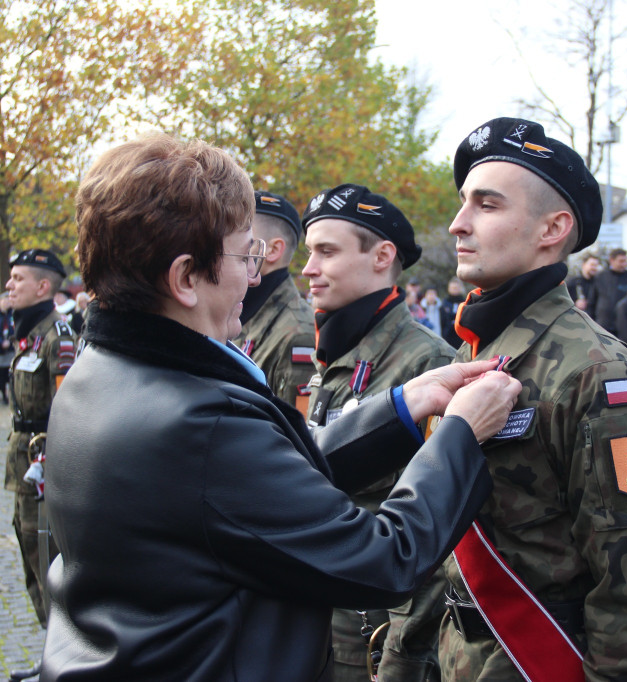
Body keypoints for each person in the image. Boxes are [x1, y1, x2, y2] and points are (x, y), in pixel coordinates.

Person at [40, 133, 520, 680]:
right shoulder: (201, 424)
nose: (256, 274)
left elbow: (258, 488)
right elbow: (387, 559)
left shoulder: (101, 371)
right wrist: (458, 431)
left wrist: (403, 408)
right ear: (184, 278)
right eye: (245, 256)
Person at [440, 117, 627, 681]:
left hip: (540, 660)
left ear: (552, 228)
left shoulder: (599, 375)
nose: (458, 224)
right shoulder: (468, 358)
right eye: (463, 204)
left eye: (487, 205)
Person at [301, 183, 457, 682]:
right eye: (309, 252)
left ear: (382, 256)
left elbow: (441, 530)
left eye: (327, 251)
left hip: (373, 638)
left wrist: (400, 659)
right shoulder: (329, 353)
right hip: (314, 617)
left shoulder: (426, 365)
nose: (308, 268)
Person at [4, 248, 77, 679]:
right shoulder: (29, 333)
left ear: (43, 286)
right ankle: (51, 641)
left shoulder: (58, 336)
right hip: (23, 463)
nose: (9, 286)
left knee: (48, 553)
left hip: (46, 461)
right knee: (28, 547)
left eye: (17, 278)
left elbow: (67, 405)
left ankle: (64, 650)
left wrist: (52, 462)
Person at [231, 190, 316, 410]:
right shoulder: (236, 309)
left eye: (244, 238)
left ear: (272, 250)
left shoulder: (299, 333)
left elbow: (296, 433)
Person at [587, 247, 627, 334]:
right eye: (621, 261)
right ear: (612, 260)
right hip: (603, 326)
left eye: (625, 261)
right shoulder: (600, 277)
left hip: (624, 326)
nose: (624, 264)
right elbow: (592, 302)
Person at [439, 277, 466, 348]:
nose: (454, 290)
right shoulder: (445, 303)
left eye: (456, 288)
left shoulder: (465, 302)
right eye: (452, 288)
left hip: (461, 336)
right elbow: (442, 320)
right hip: (447, 336)